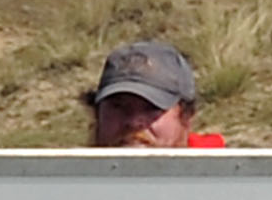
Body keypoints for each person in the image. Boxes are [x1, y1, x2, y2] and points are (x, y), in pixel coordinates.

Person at [86, 39, 223, 148]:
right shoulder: (73, 180)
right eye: (119, 107)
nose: (134, 122)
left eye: (151, 108)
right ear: (97, 115)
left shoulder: (225, 179)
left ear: (186, 117)